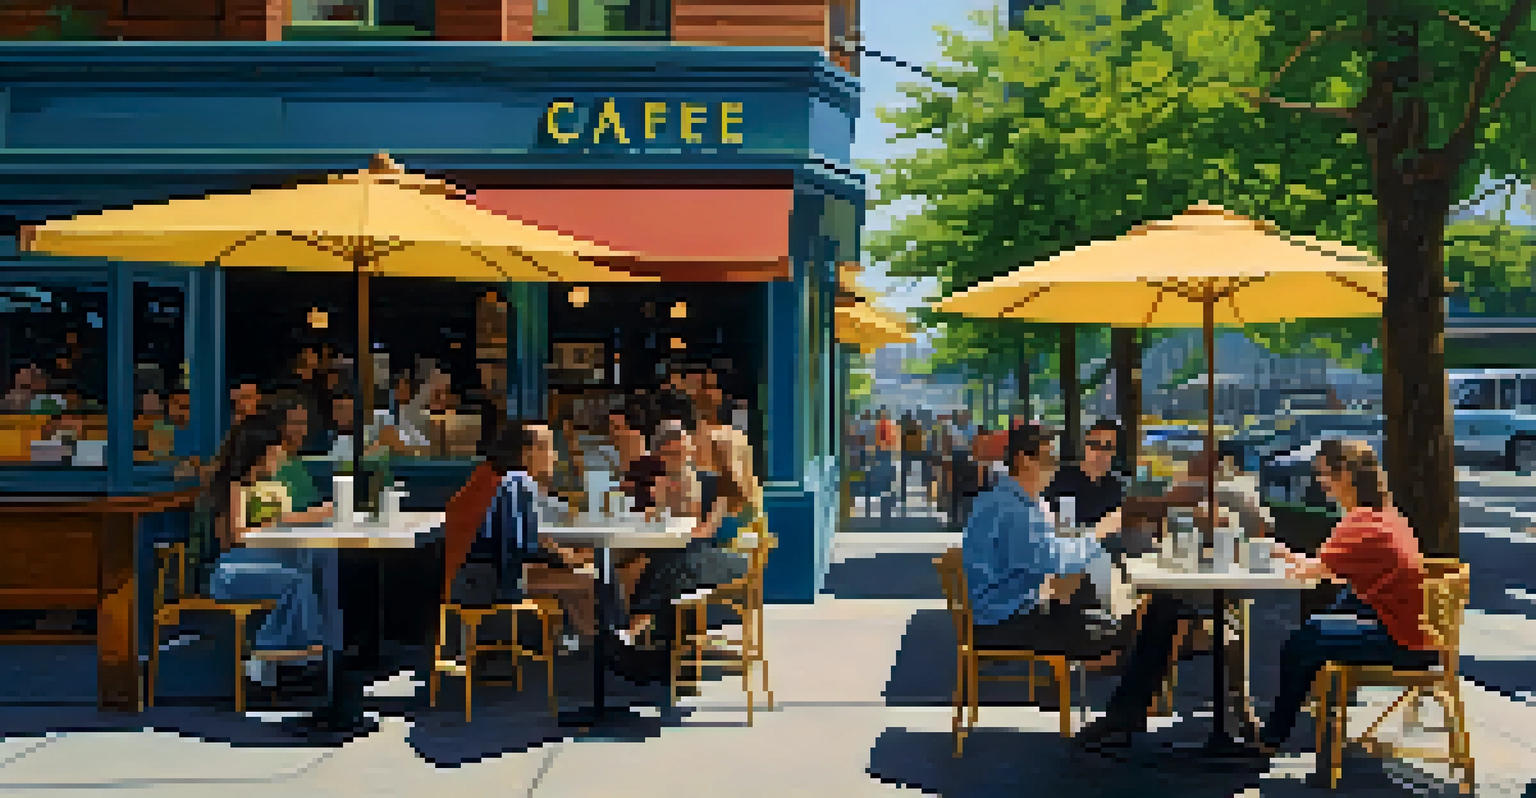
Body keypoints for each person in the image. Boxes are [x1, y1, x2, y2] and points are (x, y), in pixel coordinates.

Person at [1078, 439, 1438, 754]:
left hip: (1397, 638)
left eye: (1325, 474)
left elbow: (1316, 572)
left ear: (1346, 475)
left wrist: (1280, 555)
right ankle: (1240, 724)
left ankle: (1268, 738)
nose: (1321, 483)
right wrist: (1282, 553)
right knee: (1179, 610)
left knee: (1302, 642)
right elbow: (1321, 568)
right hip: (1401, 628)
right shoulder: (1382, 518)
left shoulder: (1362, 523)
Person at [961, 423, 1128, 658]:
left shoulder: (1003, 500)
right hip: (1005, 624)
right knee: (1126, 634)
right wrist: (1098, 532)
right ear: (1024, 460)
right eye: (1050, 459)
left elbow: (1043, 555)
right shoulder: (1014, 510)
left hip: (1002, 613)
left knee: (1100, 621)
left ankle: (1070, 679)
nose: (1055, 468)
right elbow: (1052, 560)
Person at [207, 421, 337, 696]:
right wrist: (288, 519)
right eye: (276, 454)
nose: (280, 461)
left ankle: (321, 648)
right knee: (297, 581)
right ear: (260, 455)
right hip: (231, 573)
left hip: (256, 565)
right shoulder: (235, 486)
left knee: (320, 559)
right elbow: (238, 535)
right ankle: (272, 653)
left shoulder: (264, 487)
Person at [1044, 419, 1127, 528]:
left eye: (1107, 447)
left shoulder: (1115, 486)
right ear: (1085, 446)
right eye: (1094, 444)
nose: (1099, 453)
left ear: (1114, 452)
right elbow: (1065, 528)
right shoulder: (1064, 479)